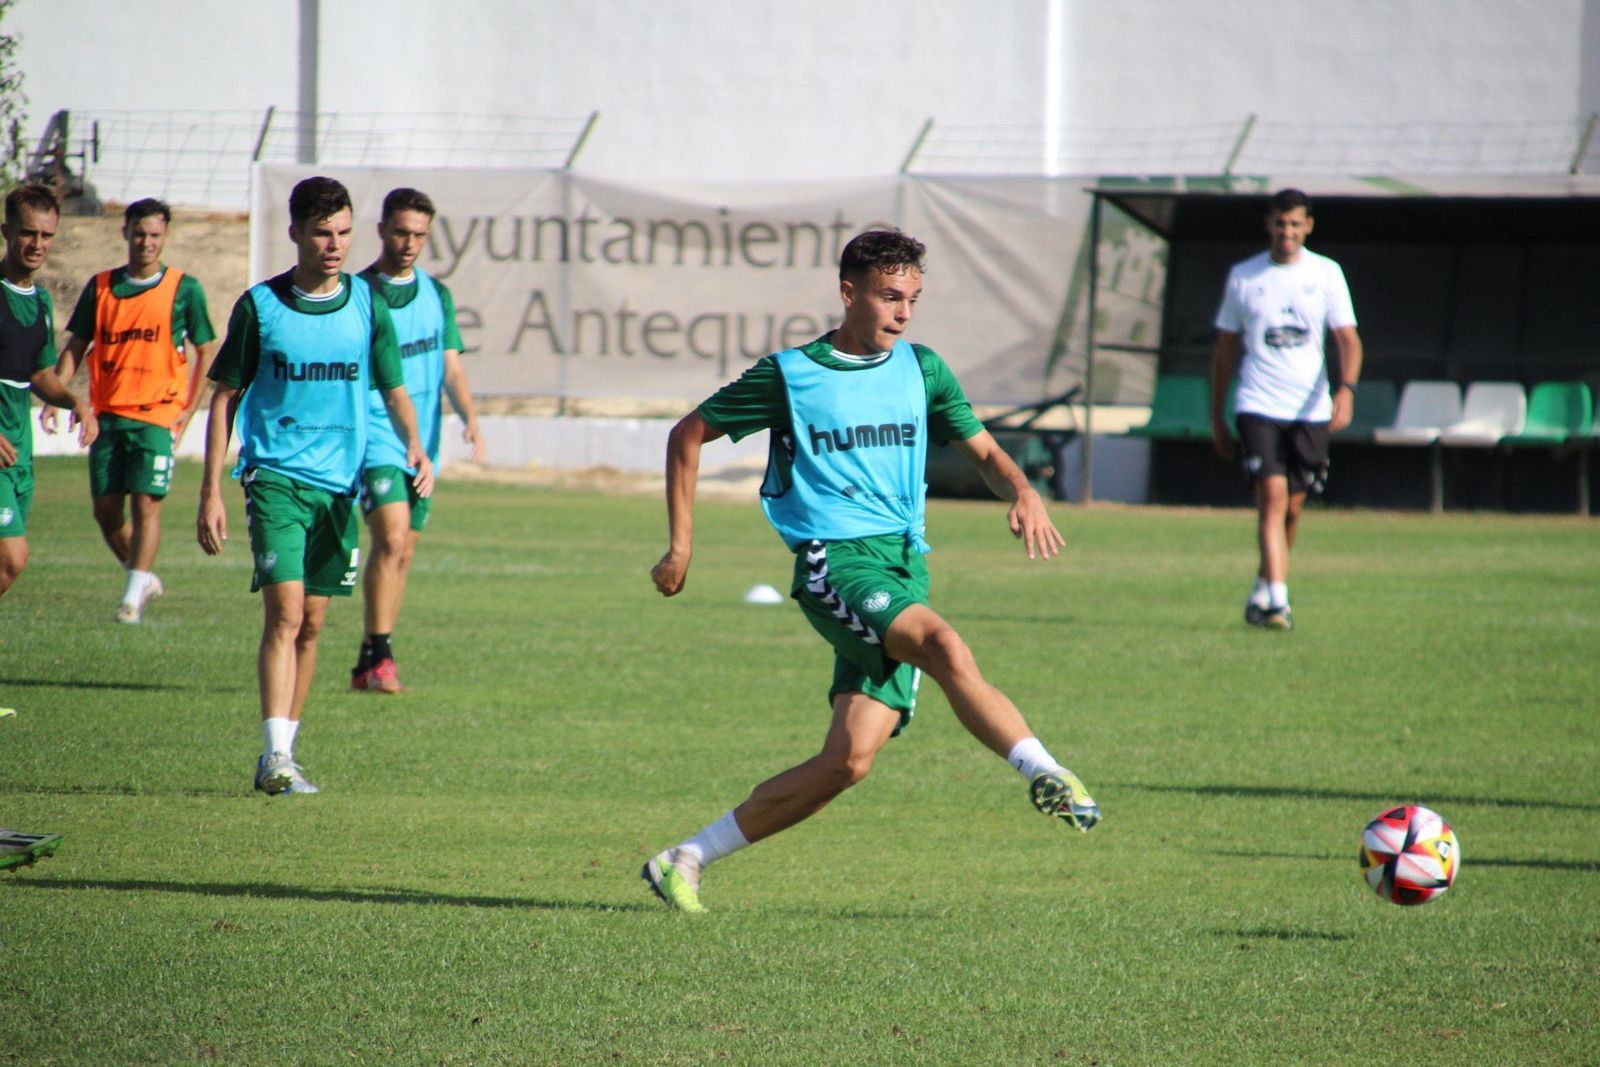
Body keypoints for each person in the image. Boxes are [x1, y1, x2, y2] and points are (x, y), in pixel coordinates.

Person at [641, 229, 1100, 914]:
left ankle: (685, 857)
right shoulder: (790, 375)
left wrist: (1024, 490)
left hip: (904, 565)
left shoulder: (922, 369)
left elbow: (982, 450)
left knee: (846, 763)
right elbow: (687, 434)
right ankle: (1045, 770)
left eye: (912, 298)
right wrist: (681, 546)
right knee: (945, 646)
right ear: (849, 292)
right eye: (889, 296)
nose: (902, 312)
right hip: (837, 561)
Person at [197, 176, 434, 796]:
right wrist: (211, 490)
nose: (335, 246)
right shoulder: (260, 307)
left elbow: (394, 386)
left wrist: (415, 443)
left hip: (339, 488)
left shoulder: (365, 305)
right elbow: (224, 398)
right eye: (323, 233)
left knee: (314, 624)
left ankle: (285, 755)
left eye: (345, 233)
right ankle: (274, 754)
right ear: (296, 232)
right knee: (286, 612)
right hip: (274, 478)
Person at [43, 198, 218, 623]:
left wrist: (189, 410)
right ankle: (141, 578)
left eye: (155, 235)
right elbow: (76, 346)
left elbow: (206, 351)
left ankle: (130, 600)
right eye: (139, 233)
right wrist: (55, 393)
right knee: (106, 513)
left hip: (157, 415)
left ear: (165, 237)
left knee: (147, 506)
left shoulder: (184, 289)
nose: (146, 242)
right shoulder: (101, 287)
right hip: (107, 416)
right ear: (125, 233)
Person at [1210, 188, 1363, 631]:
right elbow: (1223, 351)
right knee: (1272, 499)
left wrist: (1346, 390)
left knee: (1293, 508)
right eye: (1280, 223)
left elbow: (1348, 339)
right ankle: (1279, 601)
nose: (1287, 232)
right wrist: (1217, 413)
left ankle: (1262, 588)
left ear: (1308, 226)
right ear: (1269, 225)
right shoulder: (1245, 277)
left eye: (1295, 224)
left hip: (1309, 408)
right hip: (1258, 403)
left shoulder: (1326, 274)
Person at [349, 188, 483, 694]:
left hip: (424, 443)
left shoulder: (436, 294)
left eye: (419, 235)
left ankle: (369, 655)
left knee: (404, 552)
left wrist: (470, 417)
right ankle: (382, 657)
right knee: (392, 539)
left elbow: (451, 364)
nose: (409, 244)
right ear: (382, 229)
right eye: (401, 232)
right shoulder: (359, 293)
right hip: (378, 439)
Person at [0, 183, 97, 600]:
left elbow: (41, 375)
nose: (37, 244)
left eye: (46, 235)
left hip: (19, 448)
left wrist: (76, 401)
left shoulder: (39, 301)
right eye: (27, 232)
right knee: (12, 557)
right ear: (6, 231)